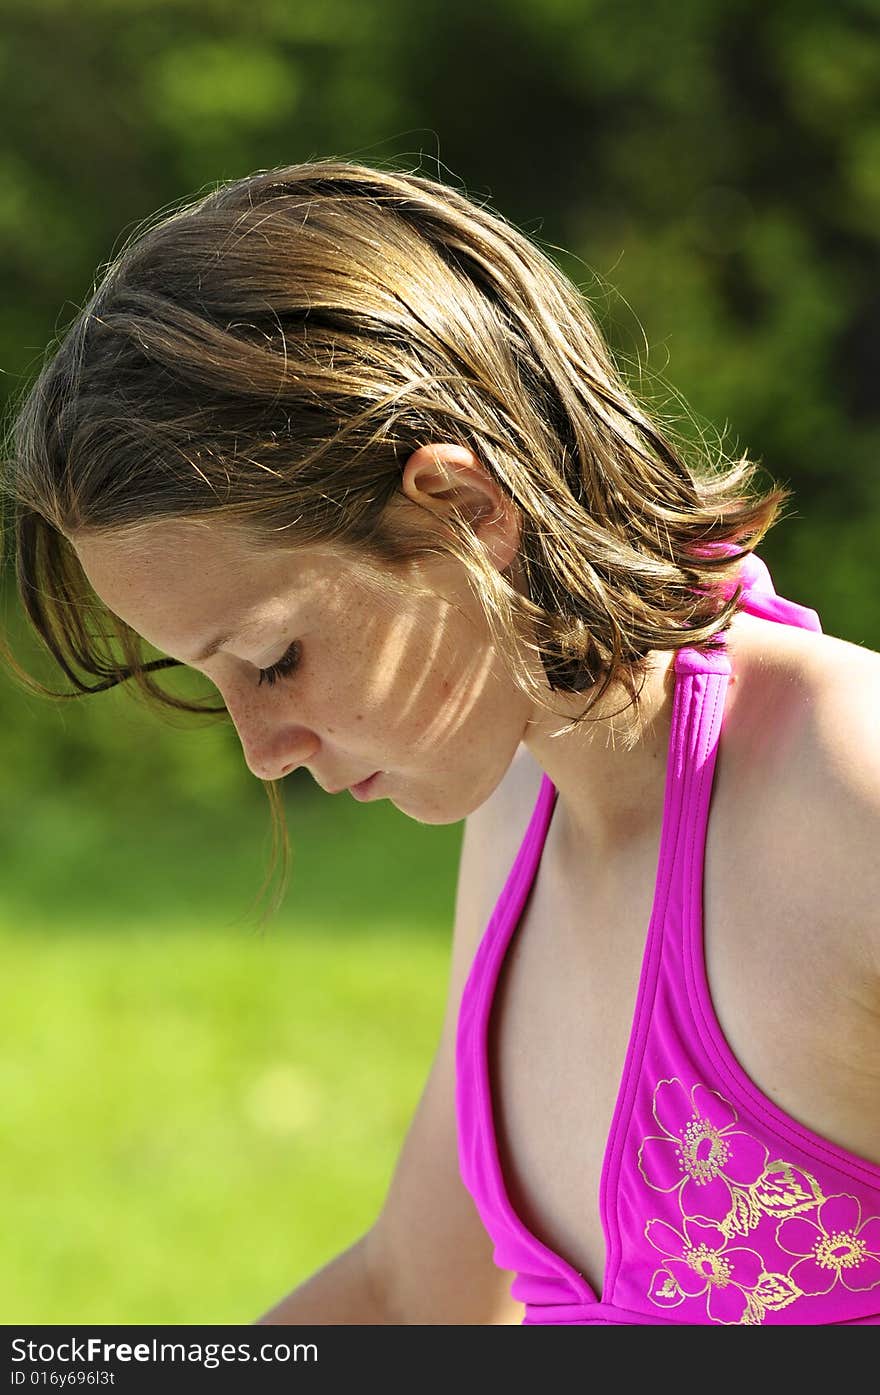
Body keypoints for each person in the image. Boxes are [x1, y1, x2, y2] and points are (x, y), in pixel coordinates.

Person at [2, 158, 879, 1328]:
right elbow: (411, 1299)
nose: (260, 749)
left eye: (274, 659)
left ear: (467, 509)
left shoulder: (843, 795)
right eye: (214, 683)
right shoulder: (523, 810)